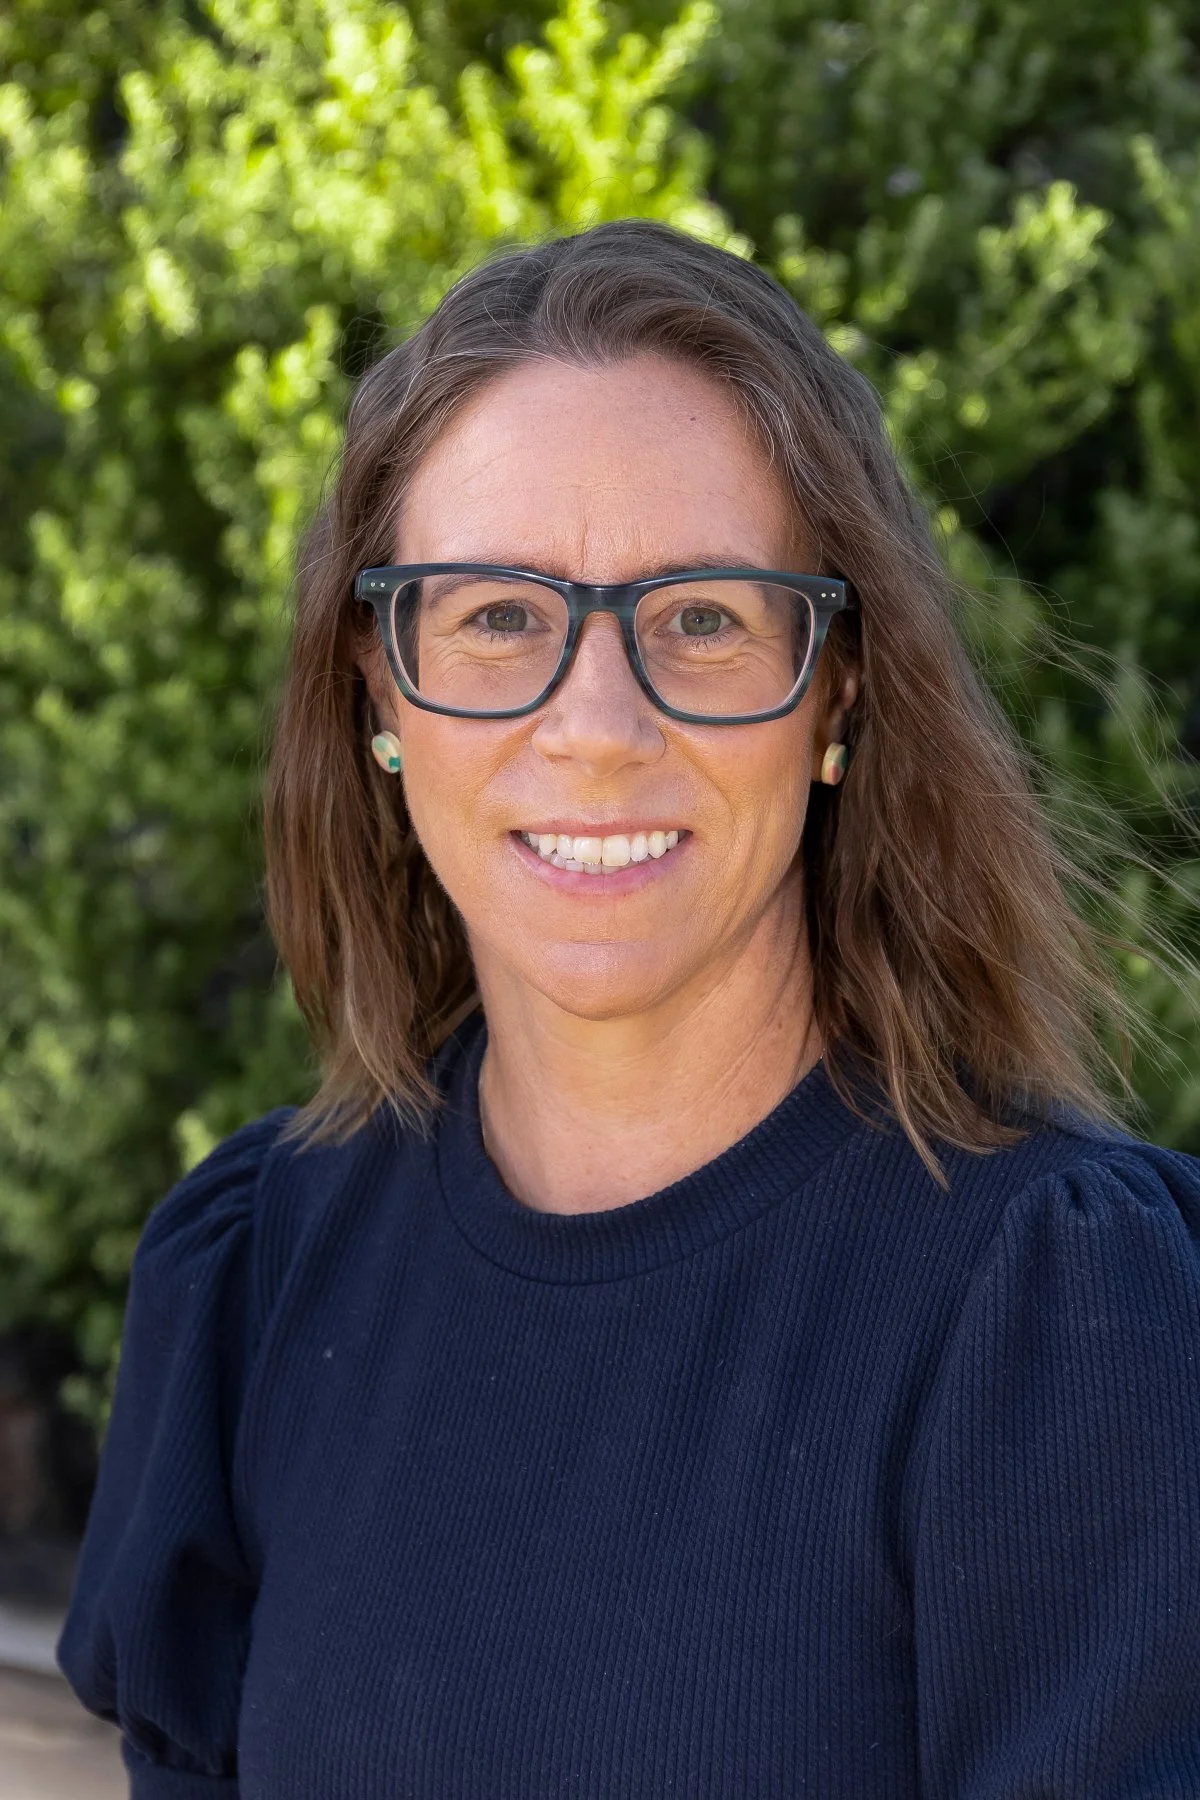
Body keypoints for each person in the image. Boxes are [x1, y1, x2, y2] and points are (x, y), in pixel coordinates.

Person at [57, 221, 1200, 1798]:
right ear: (379, 694)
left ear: (842, 689)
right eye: (497, 617)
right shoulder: (261, 1275)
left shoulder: (1059, 1320)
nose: (593, 727)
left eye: (706, 618)